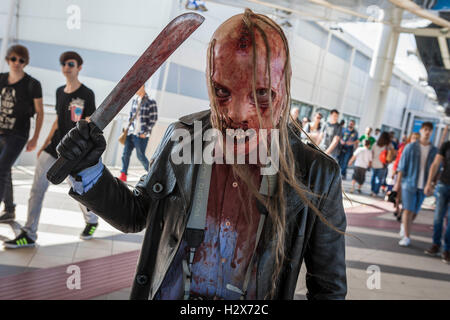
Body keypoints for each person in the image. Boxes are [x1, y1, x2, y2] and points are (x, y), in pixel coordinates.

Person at [56, 10, 347, 300]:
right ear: (210, 81)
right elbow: (136, 214)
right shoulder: (182, 139)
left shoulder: (316, 174)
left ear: (283, 86)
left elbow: (328, 289)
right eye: (222, 91)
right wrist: (89, 168)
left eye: (261, 94)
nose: (237, 114)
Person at [3, 51, 99, 248]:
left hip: (75, 152)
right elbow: (58, 120)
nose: (66, 66)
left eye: (71, 63)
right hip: (54, 147)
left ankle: (91, 220)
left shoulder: (87, 94)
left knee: (78, 190)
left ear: (79, 67)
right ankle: (29, 234)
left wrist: (86, 152)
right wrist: (45, 143)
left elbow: (92, 122)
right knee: (37, 188)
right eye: (63, 63)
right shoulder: (59, 92)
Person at [0, 45, 43, 223]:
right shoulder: (1, 79)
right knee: (5, 169)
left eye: (21, 60)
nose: (17, 63)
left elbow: (40, 111)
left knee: (1, 169)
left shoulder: (32, 84)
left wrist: (35, 138)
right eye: (13, 59)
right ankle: (9, 210)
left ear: (25, 62)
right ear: (8, 59)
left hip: (18, 134)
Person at [395, 122, 437, 247]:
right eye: (425, 129)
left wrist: (432, 184)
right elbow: (402, 167)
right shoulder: (410, 147)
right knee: (407, 210)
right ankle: (407, 237)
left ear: (432, 132)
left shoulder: (434, 150)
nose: (427, 132)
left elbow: (436, 169)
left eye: (430, 130)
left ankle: (404, 225)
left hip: (423, 185)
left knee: (415, 211)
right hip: (409, 183)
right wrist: (397, 184)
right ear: (421, 130)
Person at [119, 84, 158, 182]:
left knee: (140, 156)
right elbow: (131, 116)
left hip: (141, 135)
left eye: (137, 87)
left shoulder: (150, 102)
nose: (135, 89)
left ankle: (152, 173)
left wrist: (145, 132)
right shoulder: (135, 100)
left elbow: (153, 119)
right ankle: (123, 174)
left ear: (143, 86)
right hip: (131, 132)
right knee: (125, 154)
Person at [423, 140, 450, 264]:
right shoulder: (446, 145)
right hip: (443, 185)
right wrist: (429, 183)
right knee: (438, 218)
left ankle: (447, 249)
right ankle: (435, 244)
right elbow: (435, 164)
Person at [370, 132, 393, 197]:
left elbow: (371, 153)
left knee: (373, 177)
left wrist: (371, 161)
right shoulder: (388, 145)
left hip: (374, 163)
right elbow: (392, 153)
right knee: (379, 179)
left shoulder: (375, 144)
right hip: (382, 164)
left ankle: (372, 190)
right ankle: (375, 192)